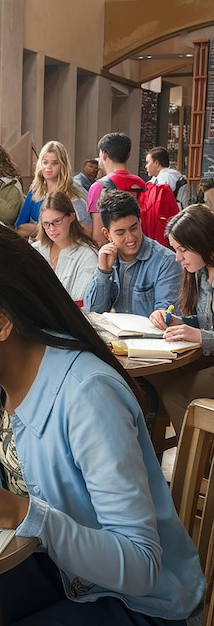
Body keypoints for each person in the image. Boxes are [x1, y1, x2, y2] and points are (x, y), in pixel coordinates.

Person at [0, 218, 204, 625]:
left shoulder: (88, 395)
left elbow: (139, 564)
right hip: (63, 573)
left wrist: (22, 513)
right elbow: (25, 459)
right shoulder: (5, 377)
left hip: (136, 603)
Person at [149, 205, 214, 436]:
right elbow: (208, 322)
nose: (178, 258)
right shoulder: (202, 273)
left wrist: (199, 336)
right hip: (208, 356)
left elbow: (207, 333)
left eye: (183, 250)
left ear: (203, 242)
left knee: (174, 394)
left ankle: (195, 467)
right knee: (153, 375)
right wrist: (181, 322)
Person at [83, 189, 181, 316]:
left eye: (133, 228)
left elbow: (168, 315)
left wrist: (161, 316)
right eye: (120, 232)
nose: (130, 237)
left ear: (140, 223)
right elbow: (93, 313)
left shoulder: (166, 261)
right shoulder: (108, 259)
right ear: (107, 234)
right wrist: (103, 272)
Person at [32, 191, 98, 303]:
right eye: (46, 224)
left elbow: (81, 302)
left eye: (57, 221)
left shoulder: (87, 256)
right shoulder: (34, 251)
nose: (52, 229)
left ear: (72, 217)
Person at [15, 140, 88, 238]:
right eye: (45, 162)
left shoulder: (74, 194)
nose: (48, 167)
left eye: (54, 163)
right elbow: (20, 228)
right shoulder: (35, 192)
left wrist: (38, 229)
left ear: (62, 165)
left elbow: (87, 229)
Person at [87, 132, 146, 247]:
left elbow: (99, 237)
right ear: (128, 155)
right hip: (142, 248)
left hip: (116, 254)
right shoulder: (141, 184)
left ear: (104, 155)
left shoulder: (99, 187)